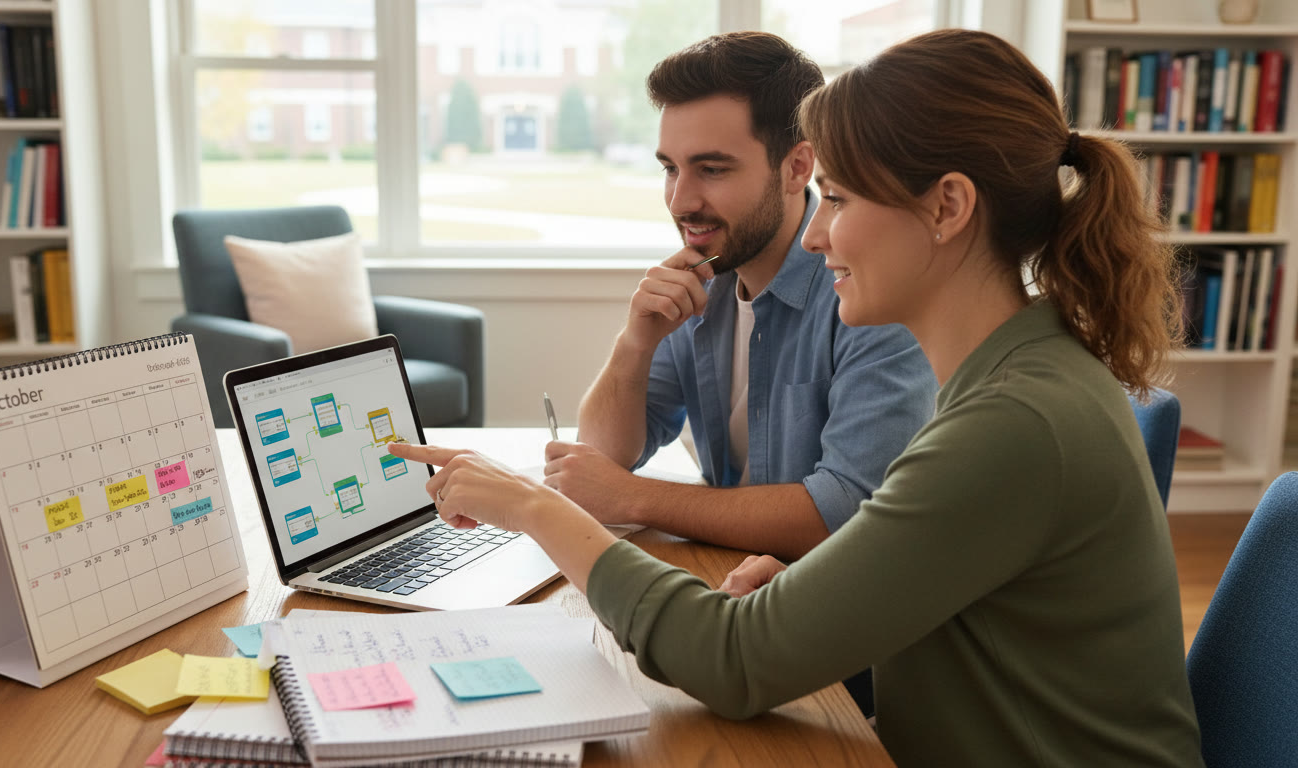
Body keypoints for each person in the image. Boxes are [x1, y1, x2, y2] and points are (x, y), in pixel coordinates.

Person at [390, 28, 1204, 768]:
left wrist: (537, 508)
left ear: (948, 207)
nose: (817, 234)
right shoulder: (1014, 376)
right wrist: (813, 587)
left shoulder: (1015, 421)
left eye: (842, 200)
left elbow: (734, 662)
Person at [549, 32, 935, 563]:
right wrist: (634, 344)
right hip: (735, 581)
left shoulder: (869, 294)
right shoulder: (705, 275)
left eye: (712, 169)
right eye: (670, 168)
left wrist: (634, 499)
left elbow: (850, 512)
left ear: (798, 167)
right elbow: (601, 458)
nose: (680, 201)